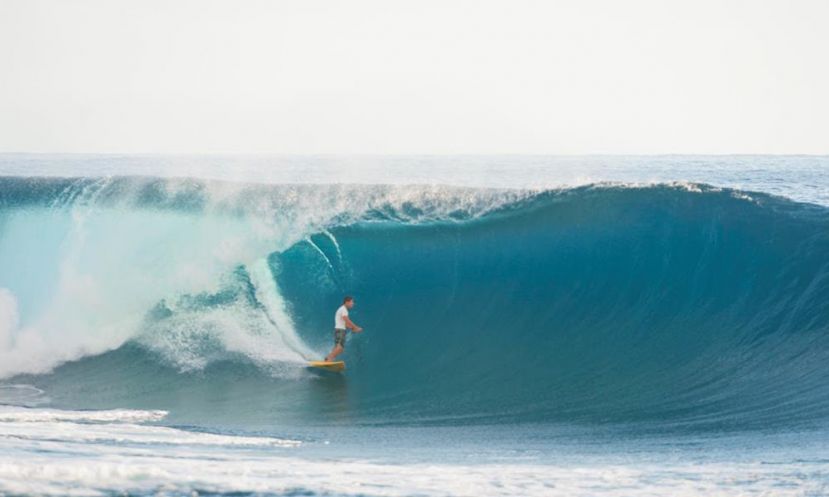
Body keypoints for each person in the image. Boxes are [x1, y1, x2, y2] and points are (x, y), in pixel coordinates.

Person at [324, 296, 362, 362]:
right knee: (340, 348)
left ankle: (329, 359)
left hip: (339, 330)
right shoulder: (344, 309)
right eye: (352, 302)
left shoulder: (342, 309)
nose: (353, 304)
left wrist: (352, 328)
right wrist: (356, 327)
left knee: (338, 348)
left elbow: (345, 323)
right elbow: (346, 319)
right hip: (340, 330)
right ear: (347, 302)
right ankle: (328, 358)